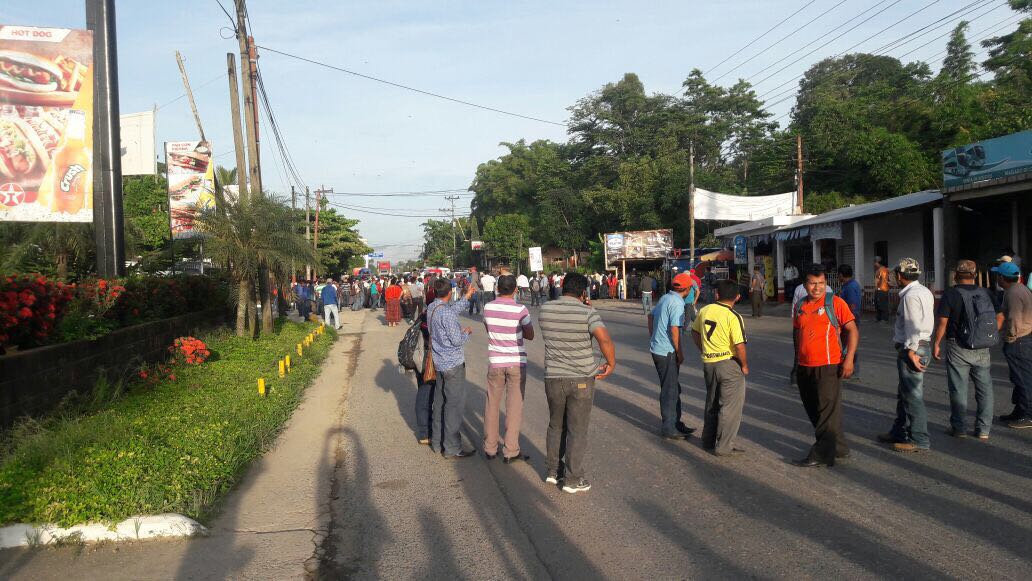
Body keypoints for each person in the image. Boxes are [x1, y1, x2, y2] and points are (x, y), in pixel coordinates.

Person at [539, 273, 616, 494]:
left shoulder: (545, 309)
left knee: (556, 425)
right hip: (581, 379)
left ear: (562, 287)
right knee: (577, 429)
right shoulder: (588, 312)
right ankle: (572, 480)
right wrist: (611, 363)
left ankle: (553, 472)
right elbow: (603, 338)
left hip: (553, 377)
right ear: (584, 292)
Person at [792, 265, 858, 468]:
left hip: (828, 365)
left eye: (821, 283)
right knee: (813, 409)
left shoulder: (835, 303)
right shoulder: (801, 305)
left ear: (826, 284)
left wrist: (848, 359)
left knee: (826, 411)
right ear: (805, 285)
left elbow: (852, 330)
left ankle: (821, 454)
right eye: (813, 283)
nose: (817, 287)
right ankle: (838, 447)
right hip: (805, 365)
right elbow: (797, 332)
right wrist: (796, 361)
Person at [932, 260, 998, 440]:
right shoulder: (986, 292)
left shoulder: (951, 294)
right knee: (985, 388)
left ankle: (959, 428)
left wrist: (936, 343)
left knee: (958, 388)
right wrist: (989, 334)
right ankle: (984, 430)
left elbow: (943, 322)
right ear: (974, 275)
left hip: (958, 346)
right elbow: (999, 315)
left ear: (956, 275)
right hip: (982, 346)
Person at [877, 259, 935, 453]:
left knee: (912, 395)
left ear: (900, 276)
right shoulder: (924, 291)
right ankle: (899, 431)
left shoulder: (910, 296)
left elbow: (913, 325)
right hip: (921, 344)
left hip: (913, 347)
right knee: (904, 393)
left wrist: (911, 350)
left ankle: (919, 439)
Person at [691, 279, 748, 457]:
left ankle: (707, 440)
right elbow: (739, 346)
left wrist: (704, 350)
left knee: (712, 402)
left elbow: (695, 332)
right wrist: (744, 365)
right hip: (728, 364)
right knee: (730, 407)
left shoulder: (705, 310)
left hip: (709, 363)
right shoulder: (733, 316)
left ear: (717, 294)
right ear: (737, 297)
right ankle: (724, 446)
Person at [482, 274, 535, 462]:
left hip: (496, 362)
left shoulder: (488, 308)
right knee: (514, 407)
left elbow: (489, 330)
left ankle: (490, 448)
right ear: (515, 290)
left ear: (497, 289)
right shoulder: (521, 309)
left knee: (492, 405)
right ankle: (511, 450)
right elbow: (530, 335)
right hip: (516, 363)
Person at [427, 278, 479, 458]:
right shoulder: (445, 312)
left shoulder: (433, 308)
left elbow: (451, 311)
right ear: (449, 293)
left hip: (439, 363)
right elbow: (456, 341)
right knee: (453, 407)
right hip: (452, 365)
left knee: (440, 403)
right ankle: (451, 448)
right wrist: (466, 333)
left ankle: (437, 443)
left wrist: (466, 296)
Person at [648, 272, 699, 440]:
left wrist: (653, 336)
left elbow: (650, 316)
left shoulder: (665, 298)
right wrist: (680, 353)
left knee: (673, 388)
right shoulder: (677, 303)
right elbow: (674, 329)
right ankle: (669, 426)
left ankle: (675, 422)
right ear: (688, 288)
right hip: (667, 352)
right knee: (670, 390)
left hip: (658, 349)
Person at [993, 261, 1032, 430]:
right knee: (1019, 377)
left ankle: (1028, 414)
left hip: (1019, 339)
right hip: (1025, 335)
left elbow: (1014, 318)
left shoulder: (1013, 293)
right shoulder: (1021, 288)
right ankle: (1020, 410)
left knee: (1022, 378)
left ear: (1002, 277)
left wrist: (1010, 337)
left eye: (997, 275)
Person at [874, 257, 891, 322]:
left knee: (882, 304)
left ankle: (884, 318)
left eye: (875, 262)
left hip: (882, 289)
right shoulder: (880, 269)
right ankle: (879, 317)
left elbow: (881, 280)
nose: (874, 264)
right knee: (878, 304)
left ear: (878, 262)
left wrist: (877, 288)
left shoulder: (882, 270)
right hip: (880, 289)